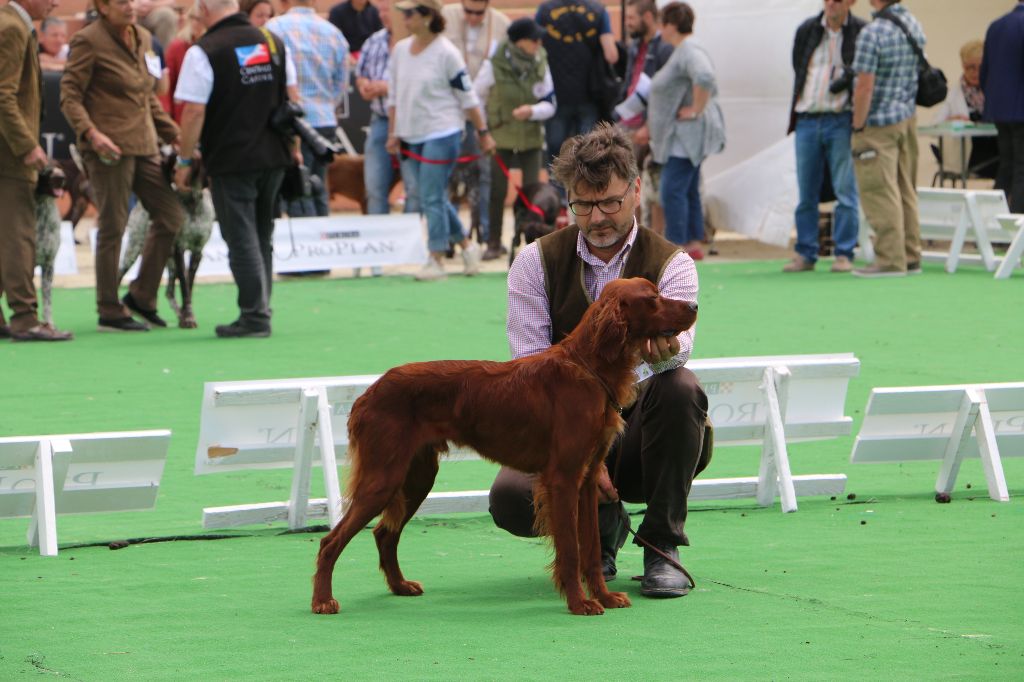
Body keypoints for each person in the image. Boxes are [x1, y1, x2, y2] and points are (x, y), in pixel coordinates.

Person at [488, 122, 710, 598]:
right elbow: (530, 367)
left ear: (634, 190)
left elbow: (681, 346)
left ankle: (663, 545)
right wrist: (584, 454)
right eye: (582, 204)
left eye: (608, 201)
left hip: (643, 441)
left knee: (681, 387)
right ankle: (600, 541)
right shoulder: (534, 261)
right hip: (560, 426)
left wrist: (602, 434)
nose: (596, 217)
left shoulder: (673, 262)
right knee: (510, 498)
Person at [173, 0, 294, 338]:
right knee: (262, 234)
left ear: (207, 10)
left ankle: (255, 317)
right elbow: (292, 96)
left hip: (232, 158)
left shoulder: (205, 50)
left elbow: (193, 111)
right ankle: (261, 309)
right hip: (274, 154)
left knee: (241, 238)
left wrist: (185, 160)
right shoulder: (272, 42)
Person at [61, 0, 184, 331]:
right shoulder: (88, 40)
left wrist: (175, 134)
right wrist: (91, 133)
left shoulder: (143, 36)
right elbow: (69, 96)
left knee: (171, 216)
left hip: (144, 144)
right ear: (102, 7)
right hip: (107, 149)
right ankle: (109, 309)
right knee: (113, 224)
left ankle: (141, 296)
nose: (130, 7)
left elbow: (147, 100)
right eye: (121, 2)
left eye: (132, 0)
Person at [386, 0, 493, 281]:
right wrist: (393, 133)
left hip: (442, 131)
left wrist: (483, 134)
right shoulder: (399, 51)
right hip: (409, 136)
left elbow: (468, 98)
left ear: (427, 17)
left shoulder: (447, 53)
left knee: (431, 195)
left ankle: (435, 257)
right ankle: (467, 247)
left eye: (410, 13)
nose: (404, 18)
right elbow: (394, 95)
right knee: (427, 195)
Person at [0, 0, 73, 342]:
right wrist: (27, 144)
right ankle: (25, 317)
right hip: (9, 155)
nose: (57, 2)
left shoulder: (12, 23)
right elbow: (3, 97)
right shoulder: (12, 27)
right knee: (18, 236)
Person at [783, 0, 865, 274]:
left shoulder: (860, 31)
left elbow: (862, 74)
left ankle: (844, 253)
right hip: (807, 118)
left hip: (840, 118)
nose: (831, 3)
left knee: (845, 190)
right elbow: (799, 68)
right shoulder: (807, 29)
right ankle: (805, 252)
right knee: (806, 192)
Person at [849, 0, 926, 277]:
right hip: (907, 118)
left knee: (879, 191)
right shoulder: (913, 24)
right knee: (905, 189)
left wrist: (858, 125)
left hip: (878, 123)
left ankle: (890, 259)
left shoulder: (873, 32)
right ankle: (910, 255)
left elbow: (864, 86)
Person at [646, 2, 725, 259]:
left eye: (661, 24)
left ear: (670, 25)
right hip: (686, 136)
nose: (659, 29)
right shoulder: (685, 50)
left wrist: (696, 109)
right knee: (688, 188)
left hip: (686, 136)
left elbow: (704, 76)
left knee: (672, 189)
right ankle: (691, 242)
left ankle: (678, 245)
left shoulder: (688, 50)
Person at [473, 17, 554, 261]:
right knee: (497, 191)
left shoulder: (541, 61)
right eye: (534, 39)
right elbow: (475, 96)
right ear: (519, 42)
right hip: (500, 138)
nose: (539, 43)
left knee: (533, 194)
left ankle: (533, 248)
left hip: (530, 137)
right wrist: (484, 131)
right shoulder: (493, 64)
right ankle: (494, 242)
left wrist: (532, 111)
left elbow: (550, 104)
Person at [267, 0, 348, 219]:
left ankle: (308, 245)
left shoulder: (273, 28)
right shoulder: (334, 33)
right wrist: (325, 105)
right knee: (318, 185)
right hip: (324, 119)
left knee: (296, 188)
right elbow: (341, 84)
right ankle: (323, 241)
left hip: (292, 122)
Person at [442, 0, 510, 249]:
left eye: (478, 13)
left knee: (485, 176)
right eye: (467, 11)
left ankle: (485, 234)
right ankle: (451, 237)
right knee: (449, 178)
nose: (472, 17)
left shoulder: (501, 24)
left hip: (483, 113)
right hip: (451, 114)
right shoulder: (446, 16)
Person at [536, 0, 618, 169]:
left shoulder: (544, 11)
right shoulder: (598, 11)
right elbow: (611, 55)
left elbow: (533, 47)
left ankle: (557, 192)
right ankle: (583, 192)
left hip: (556, 94)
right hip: (588, 92)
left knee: (555, 153)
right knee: (587, 153)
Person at [620, 0, 673, 236]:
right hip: (630, 122)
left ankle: (657, 237)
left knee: (655, 186)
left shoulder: (664, 49)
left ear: (649, 17)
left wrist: (650, 126)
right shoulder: (634, 46)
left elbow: (666, 94)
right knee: (629, 183)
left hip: (654, 127)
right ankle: (634, 236)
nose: (627, 23)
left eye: (632, 18)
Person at [931, 40, 1000, 182]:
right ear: (963, 66)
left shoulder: (997, 90)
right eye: (970, 68)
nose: (976, 73)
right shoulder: (954, 95)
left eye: (980, 68)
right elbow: (934, 126)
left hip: (999, 152)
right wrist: (951, 121)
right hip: (969, 157)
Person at [981, 1, 1024, 213]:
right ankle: (1017, 233)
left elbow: (985, 72)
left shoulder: (996, 25)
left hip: (999, 110)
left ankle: (991, 223)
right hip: (1021, 111)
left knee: (1006, 166)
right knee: (1022, 170)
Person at [355, 0, 395, 216]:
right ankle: (380, 234)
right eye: (380, 11)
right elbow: (360, 72)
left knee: (416, 187)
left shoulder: (412, 42)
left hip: (412, 121)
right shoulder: (374, 41)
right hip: (380, 117)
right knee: (374, 183)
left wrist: (385, 87)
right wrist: (364, 85)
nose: (382, 15)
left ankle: (411, 237)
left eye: (387, 11)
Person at [240, 0, 299, 102]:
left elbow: (291, 88)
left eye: (269, 16)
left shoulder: (278, 46)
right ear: (246, 16)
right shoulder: (238, 45)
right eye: (260, 16)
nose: (265, 20)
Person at [159, 6, 207, 121]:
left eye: (200, 19)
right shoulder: (178, 46)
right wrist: (167, 115)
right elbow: (166, 88)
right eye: (193, 18)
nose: (196, 23)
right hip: (183, 117)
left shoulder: (217, 46)